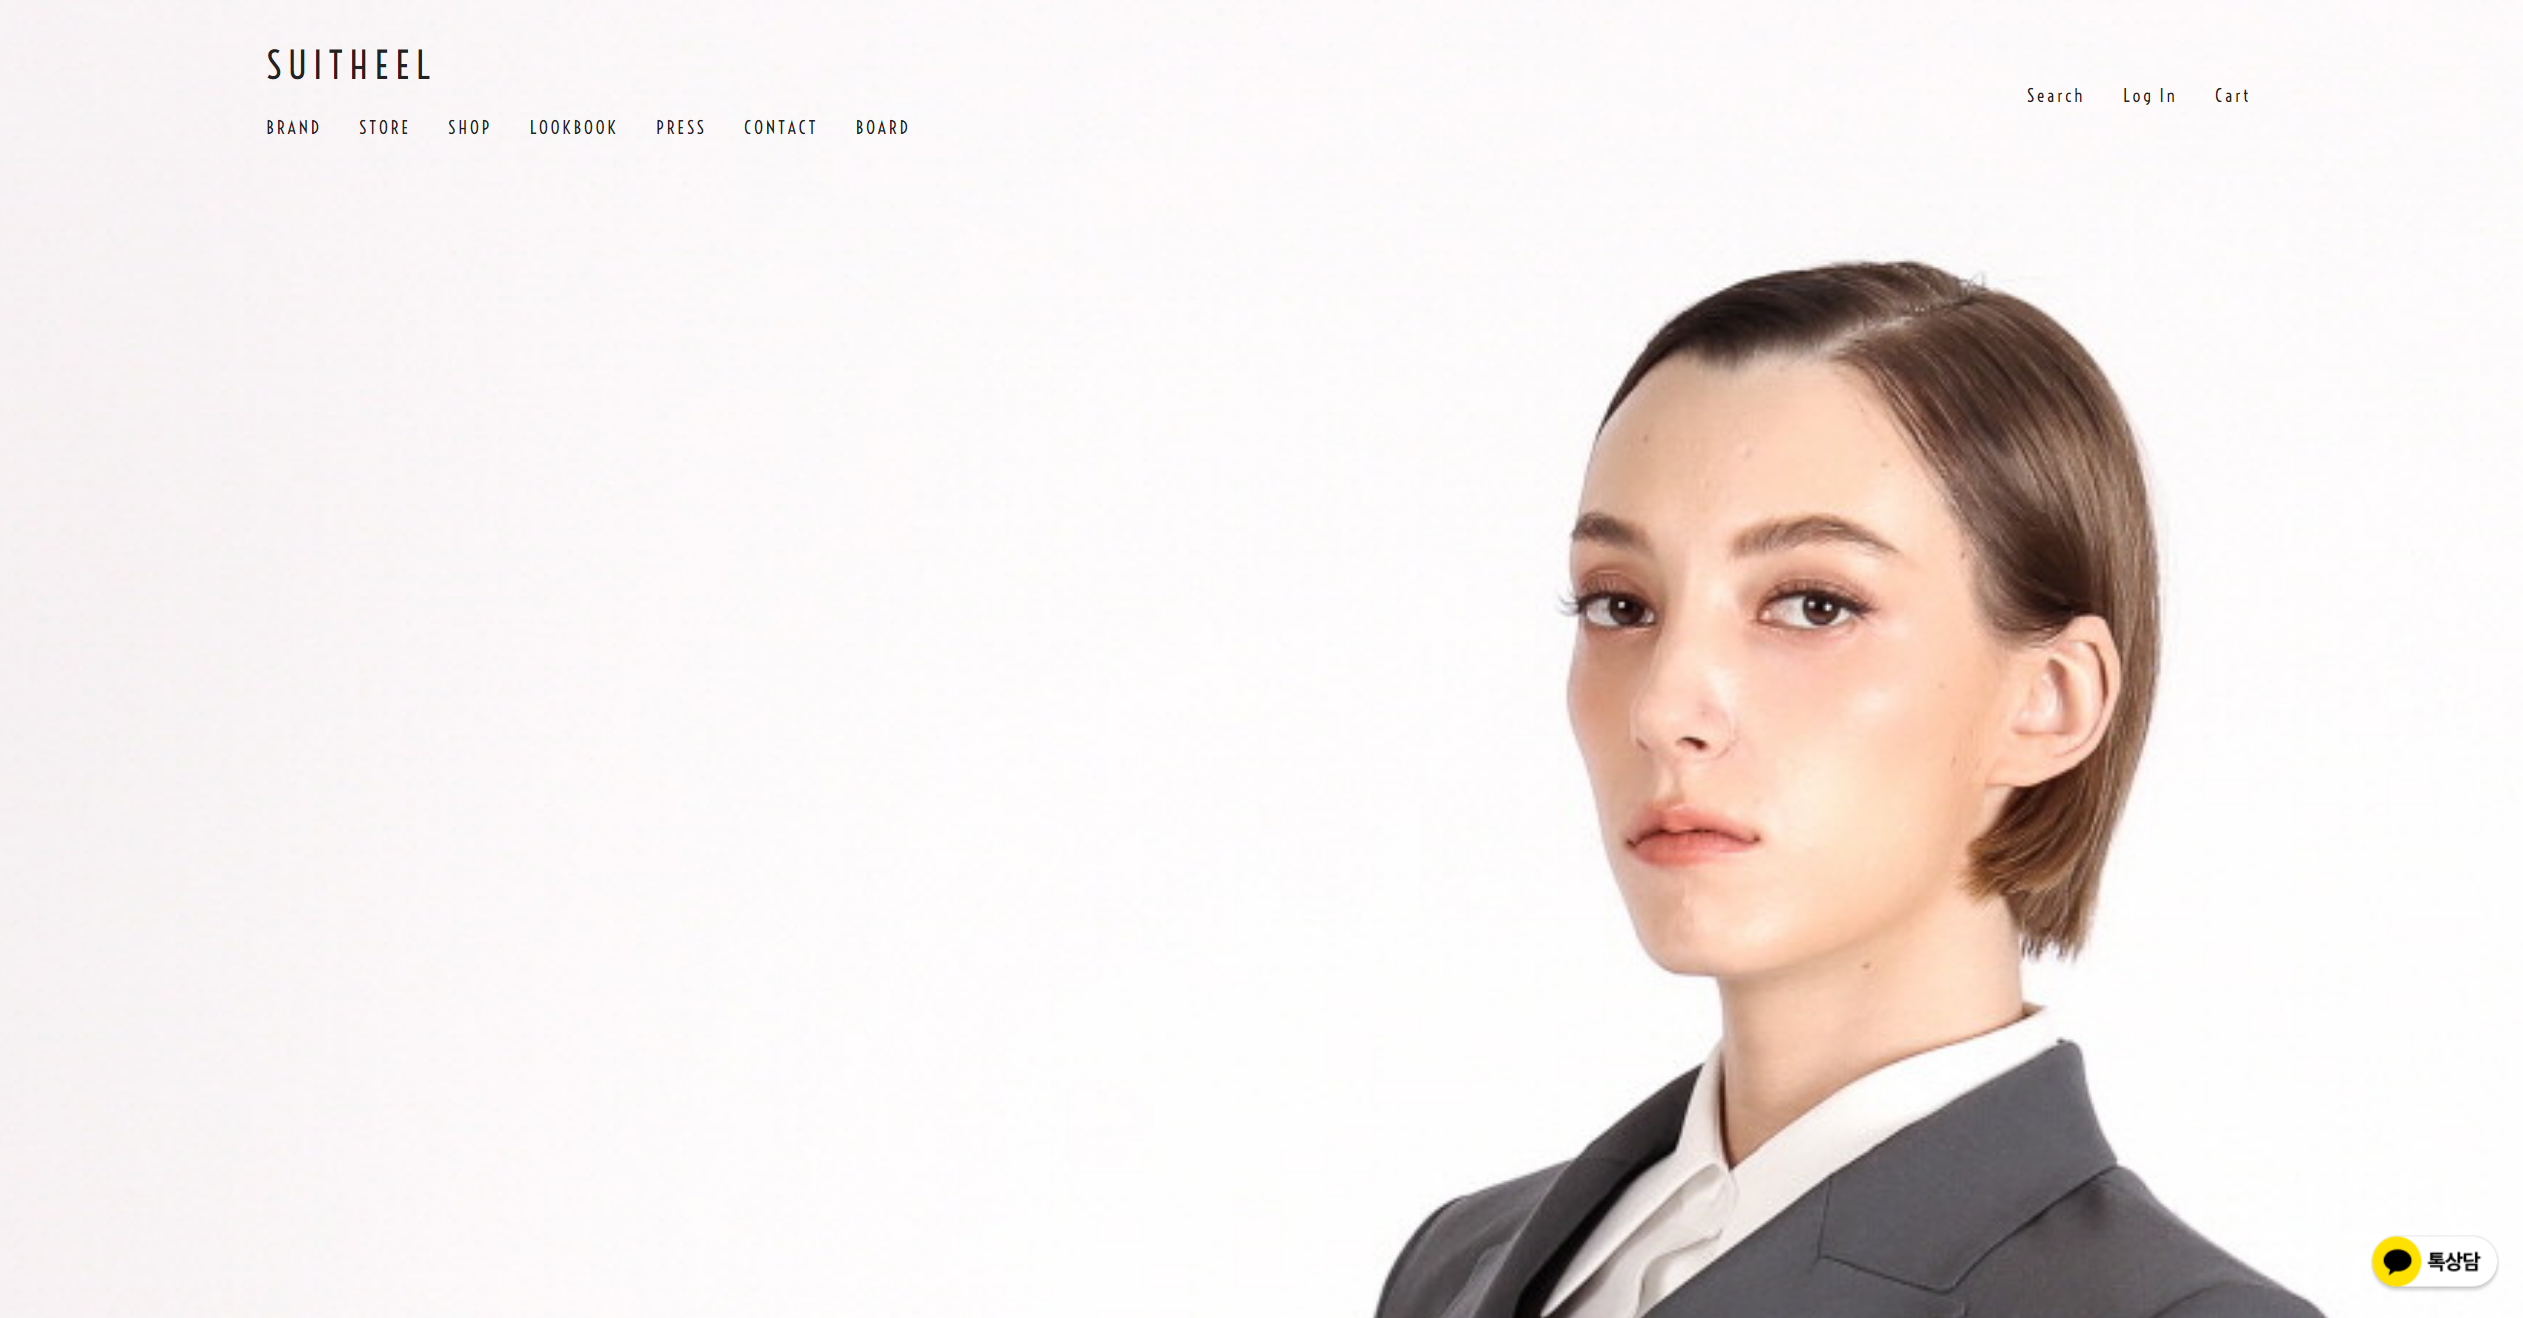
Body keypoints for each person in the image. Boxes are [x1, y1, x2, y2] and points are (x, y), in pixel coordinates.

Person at [1375, 262, 2323, 1318]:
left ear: (2049, 699)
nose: (1663, 705)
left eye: (1814, 605)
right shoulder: (1459, 1260)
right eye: (1620, 605)